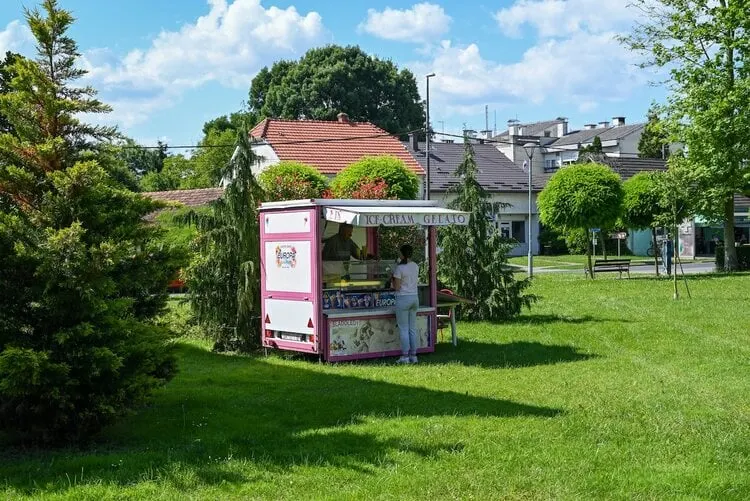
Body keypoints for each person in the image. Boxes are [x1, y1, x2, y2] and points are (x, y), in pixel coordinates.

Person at [392, 244, 420, 364]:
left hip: (403, 298)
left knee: (404, 328)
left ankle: (404, 357)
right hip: (414, 298)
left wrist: (392, 280)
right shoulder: (415, 266)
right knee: (412, 328)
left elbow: (397, 287)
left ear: (402, 254)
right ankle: (413, 355)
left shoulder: (399, 268)